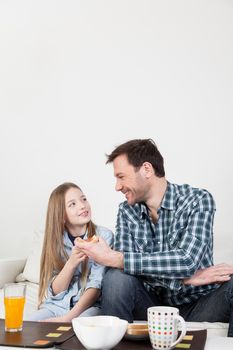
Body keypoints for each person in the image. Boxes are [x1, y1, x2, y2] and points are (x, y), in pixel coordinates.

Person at [75, 139, 233, 336]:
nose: (117, 186)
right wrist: (185, 280)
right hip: (152, 306)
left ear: (147, 170)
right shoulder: (127, 211)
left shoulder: (198, 200)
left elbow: (187, 260)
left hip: (199, 304)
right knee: (116, 278)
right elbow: (128, 273)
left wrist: (117, 258)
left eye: (121, 177)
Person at [29, 182, 113, 322]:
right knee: (30, 326)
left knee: (82, 326)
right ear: (61, 216)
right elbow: (56, 291)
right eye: (72, 204)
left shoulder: (104, 237)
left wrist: (68, 318)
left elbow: (96, 285)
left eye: (83, 199)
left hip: (89, 307)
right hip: (57, 305)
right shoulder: (55, 241)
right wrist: (71, 264)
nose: (82, 205)